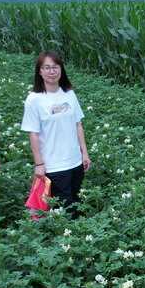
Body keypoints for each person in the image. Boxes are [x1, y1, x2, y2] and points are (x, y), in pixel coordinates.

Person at [21, 51, 91, 216]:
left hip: (75, 162)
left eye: (55, 67)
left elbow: (78, 124)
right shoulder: (34, 99)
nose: (51, 71)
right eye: (47, 68)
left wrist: (84, 153)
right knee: (65, 209)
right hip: (54, 165)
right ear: (40, 71)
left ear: (61, 69)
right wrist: (39, 164)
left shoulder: (69, 93)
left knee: (75, 202)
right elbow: (33, 134)